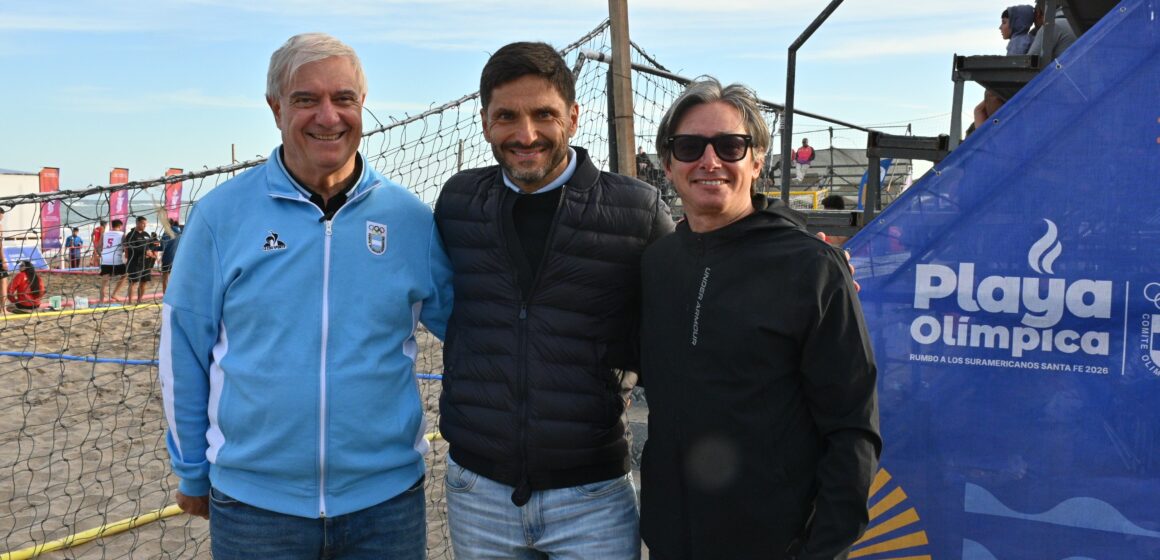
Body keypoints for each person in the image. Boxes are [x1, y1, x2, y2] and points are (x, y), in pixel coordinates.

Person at [159, 33, 452, 560]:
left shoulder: (411, 221)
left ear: (363, 106)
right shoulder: (220, 217)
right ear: (275, 109)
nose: (328, 116)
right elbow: (183, 351)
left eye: (343, 99)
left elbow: (476, 331)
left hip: (386, 504)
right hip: (254, 507)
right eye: (305, 100)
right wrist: (191, 470)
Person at [434, 41, 674, 559]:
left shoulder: (636, 210)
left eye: (544, 114)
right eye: (507, 117)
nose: (526, 135)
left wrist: (795, 251)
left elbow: (698, 283)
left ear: (573, 116)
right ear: (484, 123)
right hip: (478, 490)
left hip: (591, 493)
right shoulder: (456, 203)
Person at [639, 78, 881, 559]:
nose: (710, 161)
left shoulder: (810, 267)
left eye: (730, 145)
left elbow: (853, 427)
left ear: (757, 160)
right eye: (690, 146)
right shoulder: (655, 263)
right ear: (668, 165)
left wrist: (821, 548)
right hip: (672, 540)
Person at [123, 216, 154, 304]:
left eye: (146, 224)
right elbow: (131, 248)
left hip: (146, 263)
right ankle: (130, 302)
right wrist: (145, 252)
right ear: (137, 223)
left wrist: (151, 251)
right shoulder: (131, 234)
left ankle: (139, 300)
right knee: (133, 282)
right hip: (135, 262)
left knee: (144, 282)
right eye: (143, 223)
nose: (145, 225)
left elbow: (151, 245)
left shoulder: (146, 234)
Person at [98, 219, 126, 303]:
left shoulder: (104, 233)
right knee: (125, 274)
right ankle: (115, 294)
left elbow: (98, 246)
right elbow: (125, 247)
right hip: (116, 259)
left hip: (105, 259)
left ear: (111, 226)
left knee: (104, 280)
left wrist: (101, 255)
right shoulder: (122, 234)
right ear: (120, 226)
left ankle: (102, 300)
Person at [159, 219, 181, 293]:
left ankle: (165, 296)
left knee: (165, 278)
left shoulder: (167, 232)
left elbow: (162, 247)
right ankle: (175, 295)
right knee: (175, 278)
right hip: (178, 259)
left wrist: (151, 247)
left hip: (167, 258)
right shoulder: (180, 232)